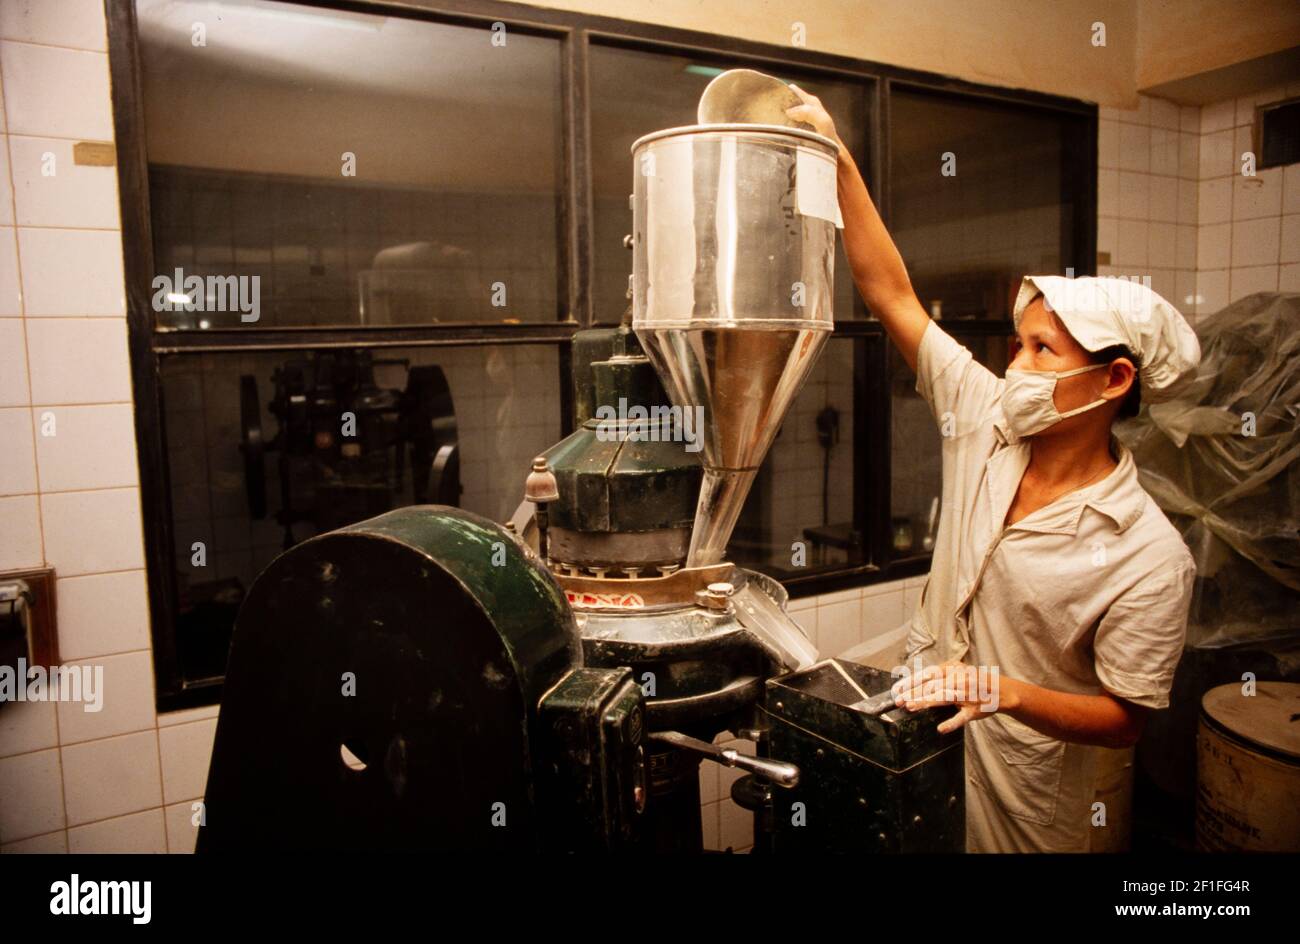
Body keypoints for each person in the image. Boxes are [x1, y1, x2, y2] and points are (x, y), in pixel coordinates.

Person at [787, 86, 1202, 852]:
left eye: (1044, 351)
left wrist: (1002, 691)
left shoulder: (1149, 558)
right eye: (1019, 345)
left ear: (1113, 382)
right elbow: (892, 295)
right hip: (924, 753)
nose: (1017, 365)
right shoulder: (985, 419)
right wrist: (839, 157)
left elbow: (1125, 720)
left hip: (1029, 807)